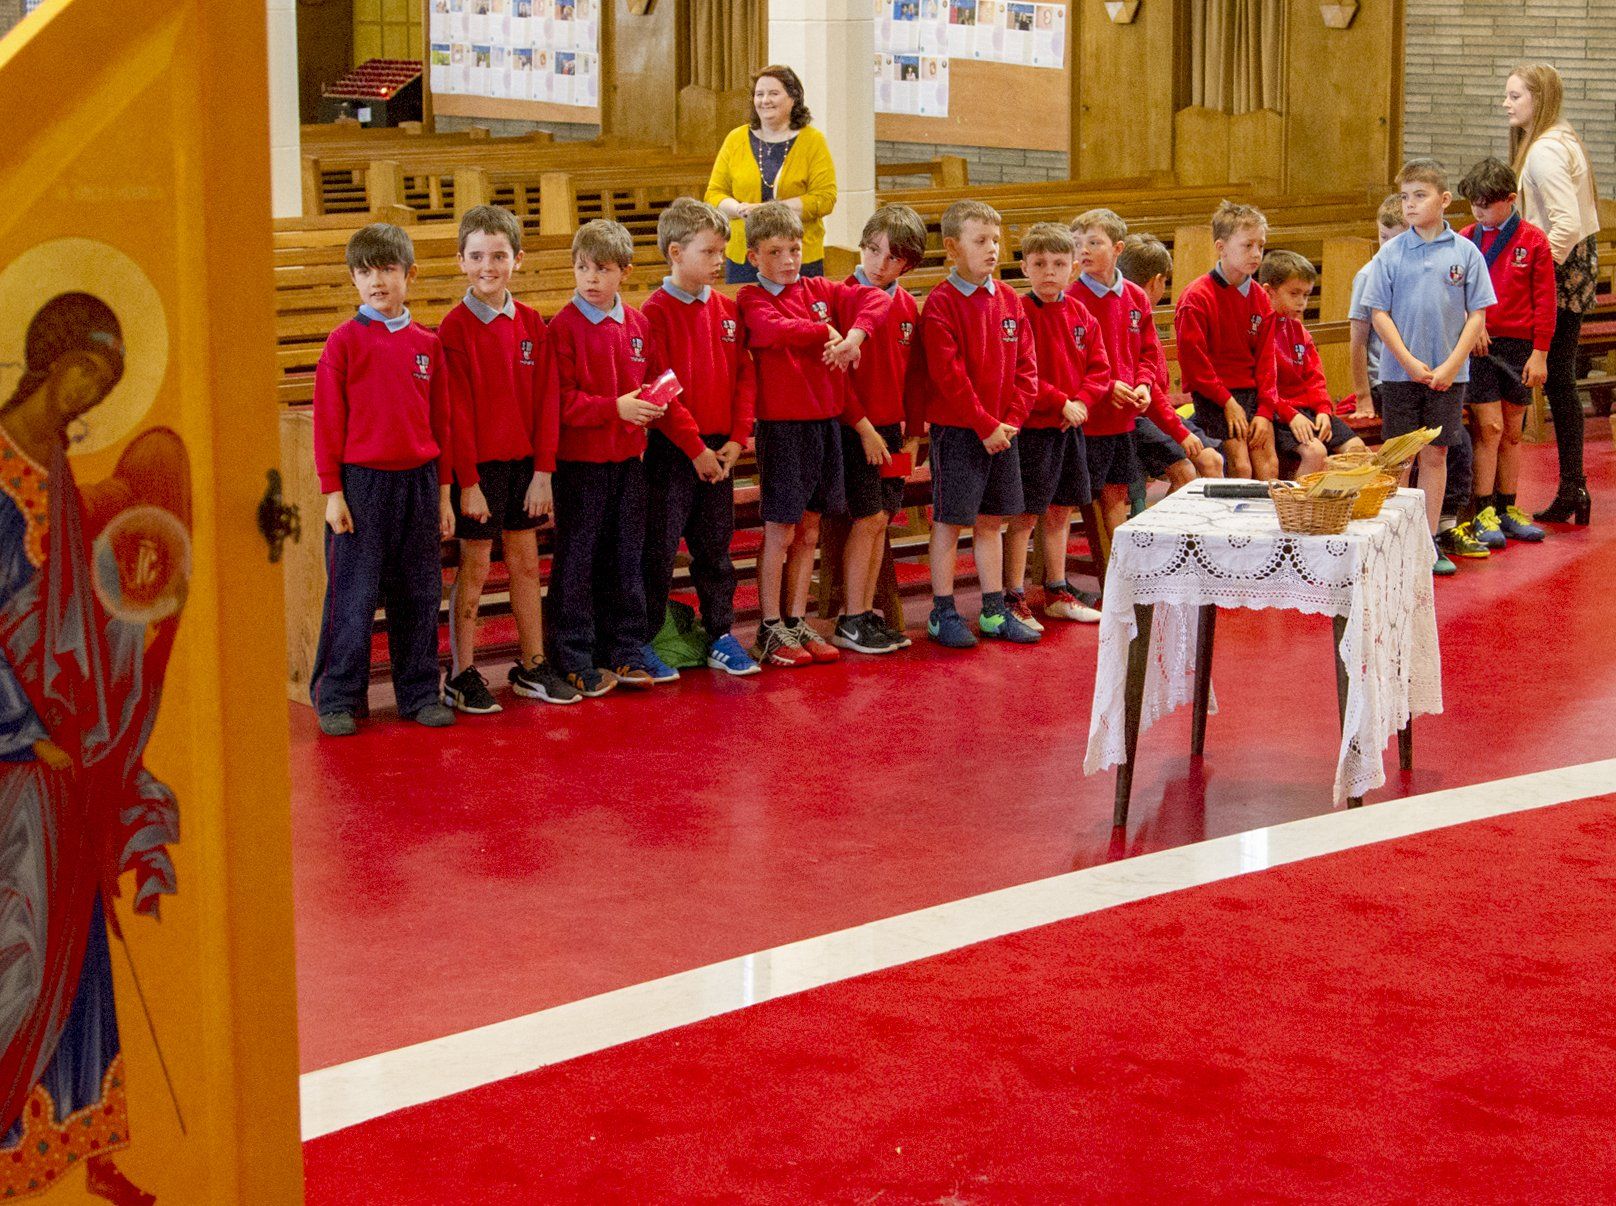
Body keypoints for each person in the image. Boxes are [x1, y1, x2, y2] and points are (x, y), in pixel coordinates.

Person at [0, 295, 186, 1206]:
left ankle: (86, 1144)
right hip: (19, 753)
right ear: (49, 359)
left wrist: (122, 648)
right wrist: (24, 725)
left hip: (67, 740)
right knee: (20, 941)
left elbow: (75, 608)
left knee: (76, 940)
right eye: (84, 372)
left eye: (105, 385)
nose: (88, 394)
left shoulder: (58, 463)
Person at [311, 223, 456, 735]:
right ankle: (338, 698)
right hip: (361, 487)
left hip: (418, 484)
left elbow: (442, 424)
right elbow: (327, 423)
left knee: (418, 593)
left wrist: (443, 496)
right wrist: (333, 493)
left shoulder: (428, 345)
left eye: (388, 269)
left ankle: (418, 693)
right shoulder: (343, 343)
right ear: (354, 279)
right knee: (352, 595)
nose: (377, 280)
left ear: (409, 274)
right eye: (365, 271)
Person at [438, 205, 579, 713]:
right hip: (479, 472)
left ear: (517, 259)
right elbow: (453, 415)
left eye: (499, 256)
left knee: (525, 563)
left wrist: (543, 473)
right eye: (477, 256)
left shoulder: (531, 324)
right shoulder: (453, 330)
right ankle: (461, 673)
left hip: (526, 470)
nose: (488, 266)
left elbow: (546, 404)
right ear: (461, 261)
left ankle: (532, 665)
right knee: (474, 570)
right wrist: (467, 482)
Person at [737, 201, 890, 667]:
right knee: (779, 530)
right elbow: (771, 331)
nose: (788, 259)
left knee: (810, 530)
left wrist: (856, 336)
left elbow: (876, 299)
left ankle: (796, 618)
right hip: (783, 430)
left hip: (824, 425)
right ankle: (768, 625)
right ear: (753, 257)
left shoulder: (819, 288)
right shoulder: (751, 298)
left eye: (795, 249)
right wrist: (826, 330)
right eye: (775, 251)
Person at [906, 199, 1041, 649]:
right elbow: (949, 377)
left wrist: (1012, 420)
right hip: (961, 431)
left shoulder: (1008, 299)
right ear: (951, 247)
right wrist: (985, 424)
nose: (992, 249)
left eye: (996, 240)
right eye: (980, 240)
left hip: (1004, 433)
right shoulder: (941, 304)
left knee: (992, 521)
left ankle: (993, 610)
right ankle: (942, 611)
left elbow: (1027, 365)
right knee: (949, 522)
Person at [639, 198, 762, 677]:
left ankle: (721, 633)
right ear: (675, 252)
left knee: (715, 551)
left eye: (721, 252)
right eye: (709, 252)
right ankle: (646, 637)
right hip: (675, 452)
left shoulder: (728, 310)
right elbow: (661, 387)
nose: (719, 262)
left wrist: (737, 438)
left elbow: (744, 378)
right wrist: (695, 450)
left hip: (721, 451)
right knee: (660, 551)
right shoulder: (654, 311)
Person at [547, 219, 670, 696]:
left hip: (629, 462)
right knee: (577, 560)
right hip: (581, 466)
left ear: (625, 271)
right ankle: (573, 654)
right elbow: (561, 402)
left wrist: (655, 403)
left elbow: (657, 378)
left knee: (626, 558)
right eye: (582, 268)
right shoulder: (563, 327)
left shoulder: (638, 323)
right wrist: (614, 408)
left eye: (601, 269)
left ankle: (625, 648)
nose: (591, 279)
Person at [1360, 158, 1496, 576]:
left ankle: (1427, 536)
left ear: (1444, 199)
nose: (1410, 205)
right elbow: (1378, 313)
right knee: (1400, 458)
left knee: (1436, 454)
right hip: (1401, 374)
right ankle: (1395, 539)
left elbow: (1477, 315)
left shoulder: (1465, 253)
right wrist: (1409, 361)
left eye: (1420, 196)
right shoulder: (1392, 253)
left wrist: (1452, 365)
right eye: (1405, 197)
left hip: (1448, 375)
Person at [1504, 63, 1602, 524]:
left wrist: (1536, 273)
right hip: (1575, 266)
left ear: (1538, 100)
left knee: (1556, 381)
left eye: (1514, 96)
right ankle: (1573, 487)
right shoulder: (1563, 137)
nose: (1506, 103)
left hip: (1559, 271)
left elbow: (1565, 223)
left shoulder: (1544, 150)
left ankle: (1571, 486)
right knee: (1561, 381)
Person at [832, 203, 928, 656]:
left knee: (882, 521)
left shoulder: (908, 304)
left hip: (892, 431)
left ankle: (865, 612)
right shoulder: (842, 296)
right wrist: (863, 427)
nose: (878, 264)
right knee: (867, 517)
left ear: (907, 263)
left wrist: (912, 431)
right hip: (855, 429)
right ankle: (850, 618)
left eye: (891, 258)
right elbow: (836, 376)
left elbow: (913, 375)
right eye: (872, 251)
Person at [1007, 222, 1108, 628]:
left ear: (1074, 267)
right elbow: (1021, 371)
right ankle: (1013, 595)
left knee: (1061, 511)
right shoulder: (1018, 312)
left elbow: (1100, 368)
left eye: (1059, 263)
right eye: (1040, 263)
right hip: (1034, 429)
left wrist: (1082, 400)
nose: (1049, 271)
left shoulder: (1082, 313)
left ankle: (1056, 589)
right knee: (1026, 515)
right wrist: (1059, 401)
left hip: (1071, 427)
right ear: (1025, 267)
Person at [1455, 157, 1554, 546]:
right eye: (1474, 204)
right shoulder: (1465, 238)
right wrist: (1471, 324)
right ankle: (1482, 512)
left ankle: (1507, 507)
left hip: (1519, 347)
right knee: (1489, 429)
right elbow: (1455, 293)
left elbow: (1545, 301)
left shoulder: (1532, 241)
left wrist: (1540, 353)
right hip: (1479, 344)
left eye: (1486, 204)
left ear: (1510, 200)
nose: (1479, 211)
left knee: (1513, 432)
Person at [1095, 222, 1223, 508]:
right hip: (1134, 417)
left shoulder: (1138, 313)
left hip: (1154, 413)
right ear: (1157, 281)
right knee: (1190, 469)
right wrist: (1180, 432)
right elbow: (1147, 392)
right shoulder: (1116, 313)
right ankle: (1157, 542)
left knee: (1213, 460)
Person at [1174, 201, 1280, 481]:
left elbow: (1267, 360)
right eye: (1247, 246)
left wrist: (1265, 411)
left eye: (1261, 245)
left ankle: (1265, 523)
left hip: (1252, 395)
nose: (1257, 254)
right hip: (1215, 396)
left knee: (1267, 463)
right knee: (1241, 464)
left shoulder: (1260, 298)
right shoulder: (1197, 297)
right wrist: (1227, 401)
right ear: (1221, 247)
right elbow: (1196, 364)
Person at [706, 65, 838, 285]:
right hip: (746, 255)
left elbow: (825, 198)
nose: (765, 100)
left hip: (798, 256)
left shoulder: (813, 141)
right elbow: (713, 194)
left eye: (773, 93)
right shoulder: (735, 138)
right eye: (759, 94)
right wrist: (740, 209)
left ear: (793, 98)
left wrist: (771, 211)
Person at [1256, 250, 1369, 476]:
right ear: (1268, 291)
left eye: (1306, 295)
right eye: (1294, 293)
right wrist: (1290, 414)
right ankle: (1298, 508)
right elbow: (1262, 386)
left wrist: (1323, 410)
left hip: (1308, 410)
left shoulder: (1300, 331)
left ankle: (1335, 507)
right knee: (1315, 452)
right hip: (1280, 414)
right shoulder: (1260, 331)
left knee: (1359, 451)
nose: (1302, 302)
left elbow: (1315, 379)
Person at [1347, 193, 1407, 420]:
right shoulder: (1368, 275)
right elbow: (1358, 341)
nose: (1387, 247)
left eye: (1397, 240)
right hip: (1383, 381)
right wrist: (1362, 396)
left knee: (1458, 444)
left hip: (1412, 376)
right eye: (1383, 237)